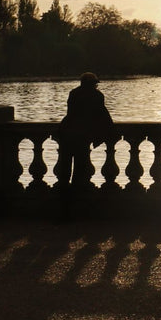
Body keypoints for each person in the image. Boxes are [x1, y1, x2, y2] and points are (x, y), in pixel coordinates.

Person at [56, 72, 114, 221]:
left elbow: (71, 114)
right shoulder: (97, 96)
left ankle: (63, 211)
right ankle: (74, 210)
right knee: (79, 174)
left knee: (64, 173)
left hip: (67, 135)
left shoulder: (74, 93)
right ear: (93, 84)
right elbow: (103, 117)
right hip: (82, 138)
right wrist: (102, 135)